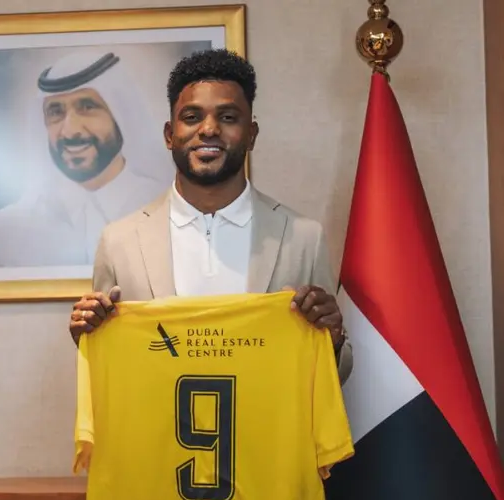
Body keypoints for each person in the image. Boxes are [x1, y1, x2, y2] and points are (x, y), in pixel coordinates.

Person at [68, 48, 352, 383]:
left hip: (267, 433)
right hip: (160, 435)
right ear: (169, 135)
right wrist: (88, 337)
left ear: (252, 135)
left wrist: (332, 338)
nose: (209, 129)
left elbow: (336, 374)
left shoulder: (303, 237)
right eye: (191, 117)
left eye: (228, 117)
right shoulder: (119, 241)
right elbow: (111, 370)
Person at [0, 49, 170, 268]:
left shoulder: (169, 213)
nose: (70, 131)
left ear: (120, 115)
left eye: (87, 107)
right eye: (55, 112)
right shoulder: (3, 232)